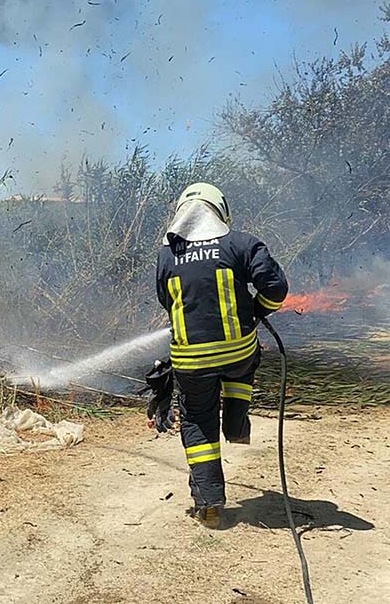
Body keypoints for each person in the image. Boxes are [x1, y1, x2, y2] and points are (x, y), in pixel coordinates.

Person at [155, 182, 288, 528]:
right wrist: (257, 312)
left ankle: (210, 504)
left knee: (198, 423)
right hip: (238, 351)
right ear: (220, 210)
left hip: (190, 362)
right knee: (243, 365)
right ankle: (236, 422)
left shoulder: (167, 255)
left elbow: (166, 302)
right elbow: (276, 288)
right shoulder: (242, 244)